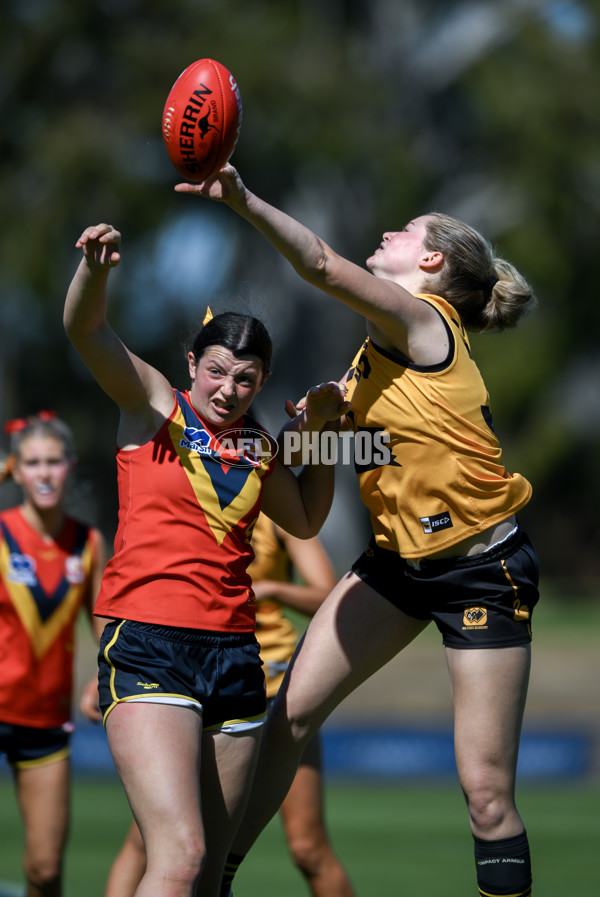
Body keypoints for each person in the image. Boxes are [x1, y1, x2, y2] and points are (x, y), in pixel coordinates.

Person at [174, 167, 540, 897]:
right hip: (398, 566)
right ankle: (214, 881)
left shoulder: (423, 321)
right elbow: (378, 452)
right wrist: (302, 439)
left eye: (407, 232)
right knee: (289, 717)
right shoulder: (375, 352)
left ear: (431, 262)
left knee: (487, 792)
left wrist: (242, 199)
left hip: (480, 569)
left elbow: (316, 263)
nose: (388, 234)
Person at [63, 222, 348, 897]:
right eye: (216, 370)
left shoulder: (257, 446)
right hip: (149, 645)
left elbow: (305, 517)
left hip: (235, 658)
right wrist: (95, 273)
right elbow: (88, 334)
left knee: (212, 877)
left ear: (262, 381)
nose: (227, 388)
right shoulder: (154, 405)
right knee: (181, 855)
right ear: (193, 363)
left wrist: (324, 440)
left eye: (244, 378)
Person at [88, 512, 355, 897]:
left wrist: (270, 589)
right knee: (161, 848)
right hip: (183, 675)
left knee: (306, 848)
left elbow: (326, 594)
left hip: (267, 683)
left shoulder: (276, 505)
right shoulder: (195, 494)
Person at [0, 412, 106, 897]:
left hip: (45, 720)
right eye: (32, 463)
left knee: (45, 871)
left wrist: (100, 679)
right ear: (15, 470)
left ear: (70, 466)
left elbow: (105, 628)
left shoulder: (87, 543)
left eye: (54, 462)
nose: (44, 473)